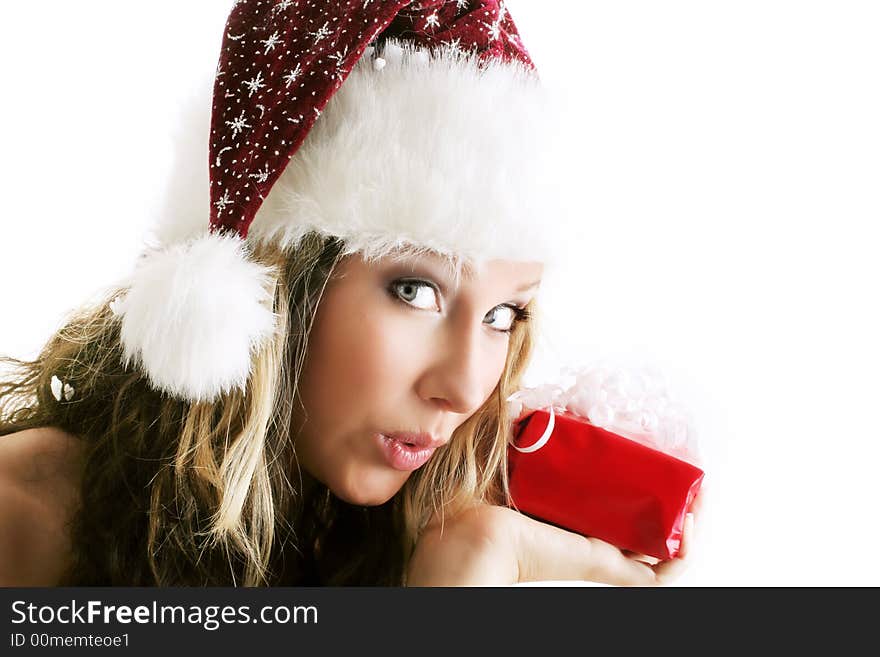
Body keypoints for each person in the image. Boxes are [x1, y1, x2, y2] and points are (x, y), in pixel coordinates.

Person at [0, 0, 696, 586]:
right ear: (272, 280)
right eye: (416, 289)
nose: (463, 386)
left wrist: (480, 558)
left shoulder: (418, 531)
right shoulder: (22, 519)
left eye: (503, 313)